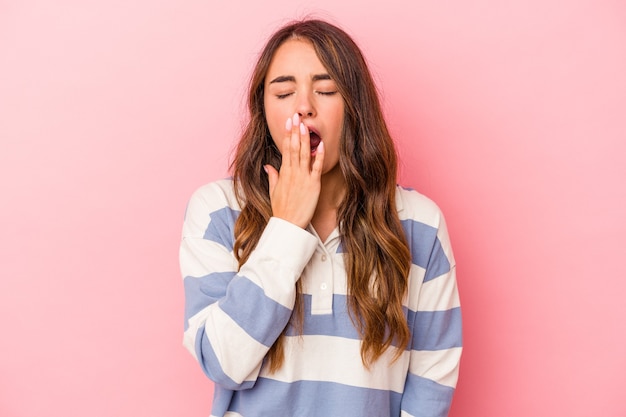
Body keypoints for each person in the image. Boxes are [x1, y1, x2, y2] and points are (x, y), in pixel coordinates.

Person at [180, 18, 461, 417]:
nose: (304, 106)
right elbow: (222, 362)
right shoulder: (216, 211)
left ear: (355, 107)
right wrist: (287, 228)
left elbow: (432, 380)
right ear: (264, 109)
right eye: (283, 91)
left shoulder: (419, 224)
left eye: (326, 89)